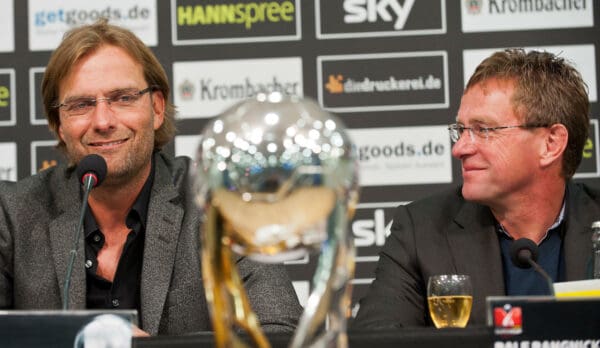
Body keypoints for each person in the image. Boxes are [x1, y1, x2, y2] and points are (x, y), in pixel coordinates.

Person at [0, 19, 302, 336]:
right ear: (59, 124)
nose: (102, 120)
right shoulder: (14, 213)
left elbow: (279, 332)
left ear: (157, 108)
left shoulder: (218, 202)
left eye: (123, 98)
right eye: (81, 105)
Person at [353, 48, 600, 328]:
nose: (460, 148)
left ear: (551, 144)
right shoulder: (421, 231)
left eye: (484, 130)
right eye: (460, 130)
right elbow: (378, 337)